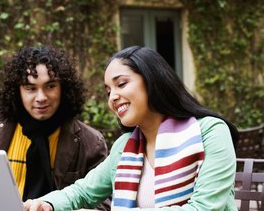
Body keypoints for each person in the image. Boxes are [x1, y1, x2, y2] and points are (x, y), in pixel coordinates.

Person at [24, 45, 239, 211]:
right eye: (108, 91)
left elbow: (205, 208)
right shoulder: (126, 146)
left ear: (152, 80)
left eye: (121, 84)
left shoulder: (211, 132)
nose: (113, 97)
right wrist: (47, 203)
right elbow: (84, 191)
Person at [0, 46, 110, 210]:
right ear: (17, 91)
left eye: (50, 86)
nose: (41, 98)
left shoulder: (91, 142)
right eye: (30, 88)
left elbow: (103, 204)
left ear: (63, 88)